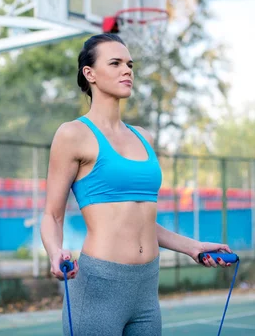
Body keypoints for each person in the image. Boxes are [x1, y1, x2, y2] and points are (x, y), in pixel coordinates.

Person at [40, 33, 232, 336]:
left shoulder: (144, 137)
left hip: (146, 288)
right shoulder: (72, 134)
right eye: (115, 63)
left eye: (129, 64)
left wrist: (194, 247)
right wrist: (55, 251)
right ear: (89, 74)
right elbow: (52, 215)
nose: (127, 70)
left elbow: (140, 220)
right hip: (98, 287)